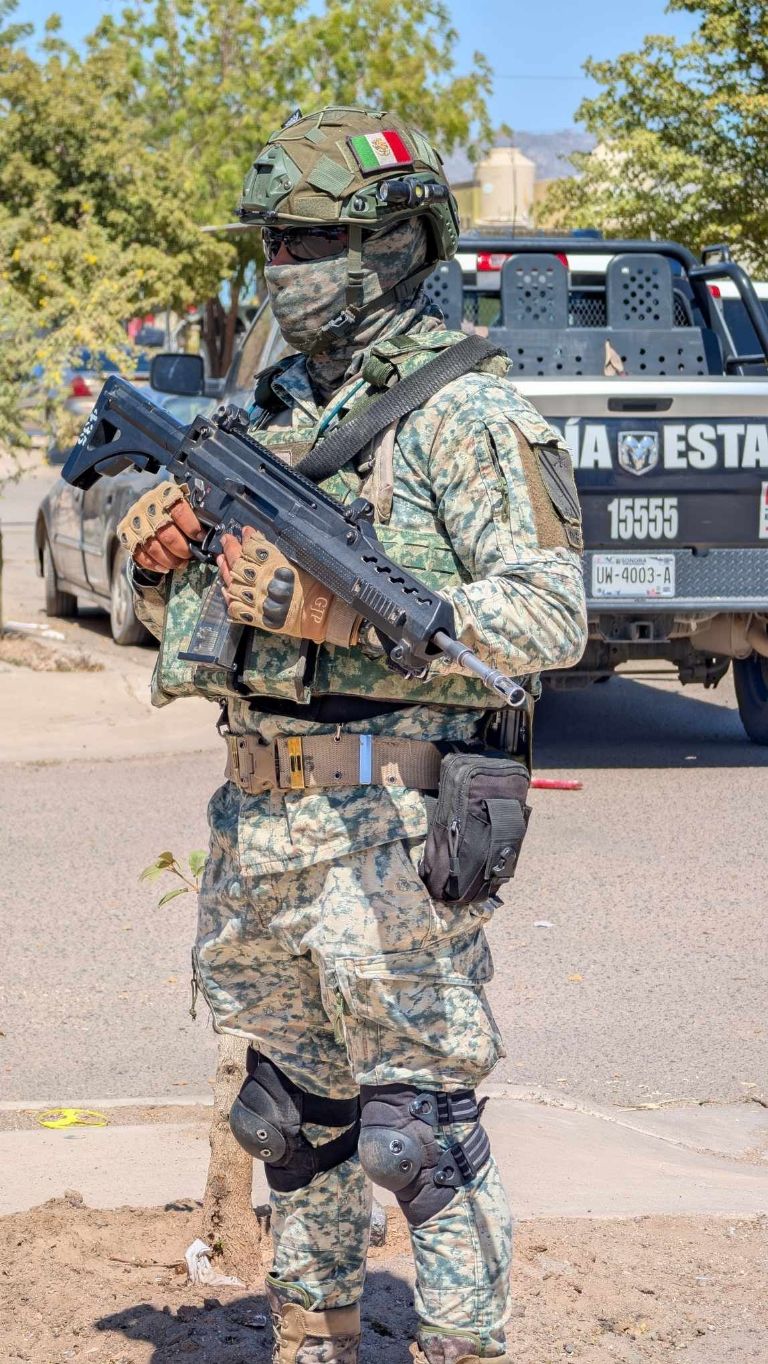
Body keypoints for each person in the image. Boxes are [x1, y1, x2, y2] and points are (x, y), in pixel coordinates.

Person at [119, 106, 587, 1364]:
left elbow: (548, 613)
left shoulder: (469, 413)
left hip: (396, 825)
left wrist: (343, 611)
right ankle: (313, 1333)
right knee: (293, 1118)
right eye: (273, 240)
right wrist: (157, 553)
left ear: (396, 243)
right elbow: (188, 601)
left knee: (414, 1133)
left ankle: (460, 1343)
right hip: (264, 819)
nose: (285, 266)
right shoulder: (267, 404)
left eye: (313, 239)